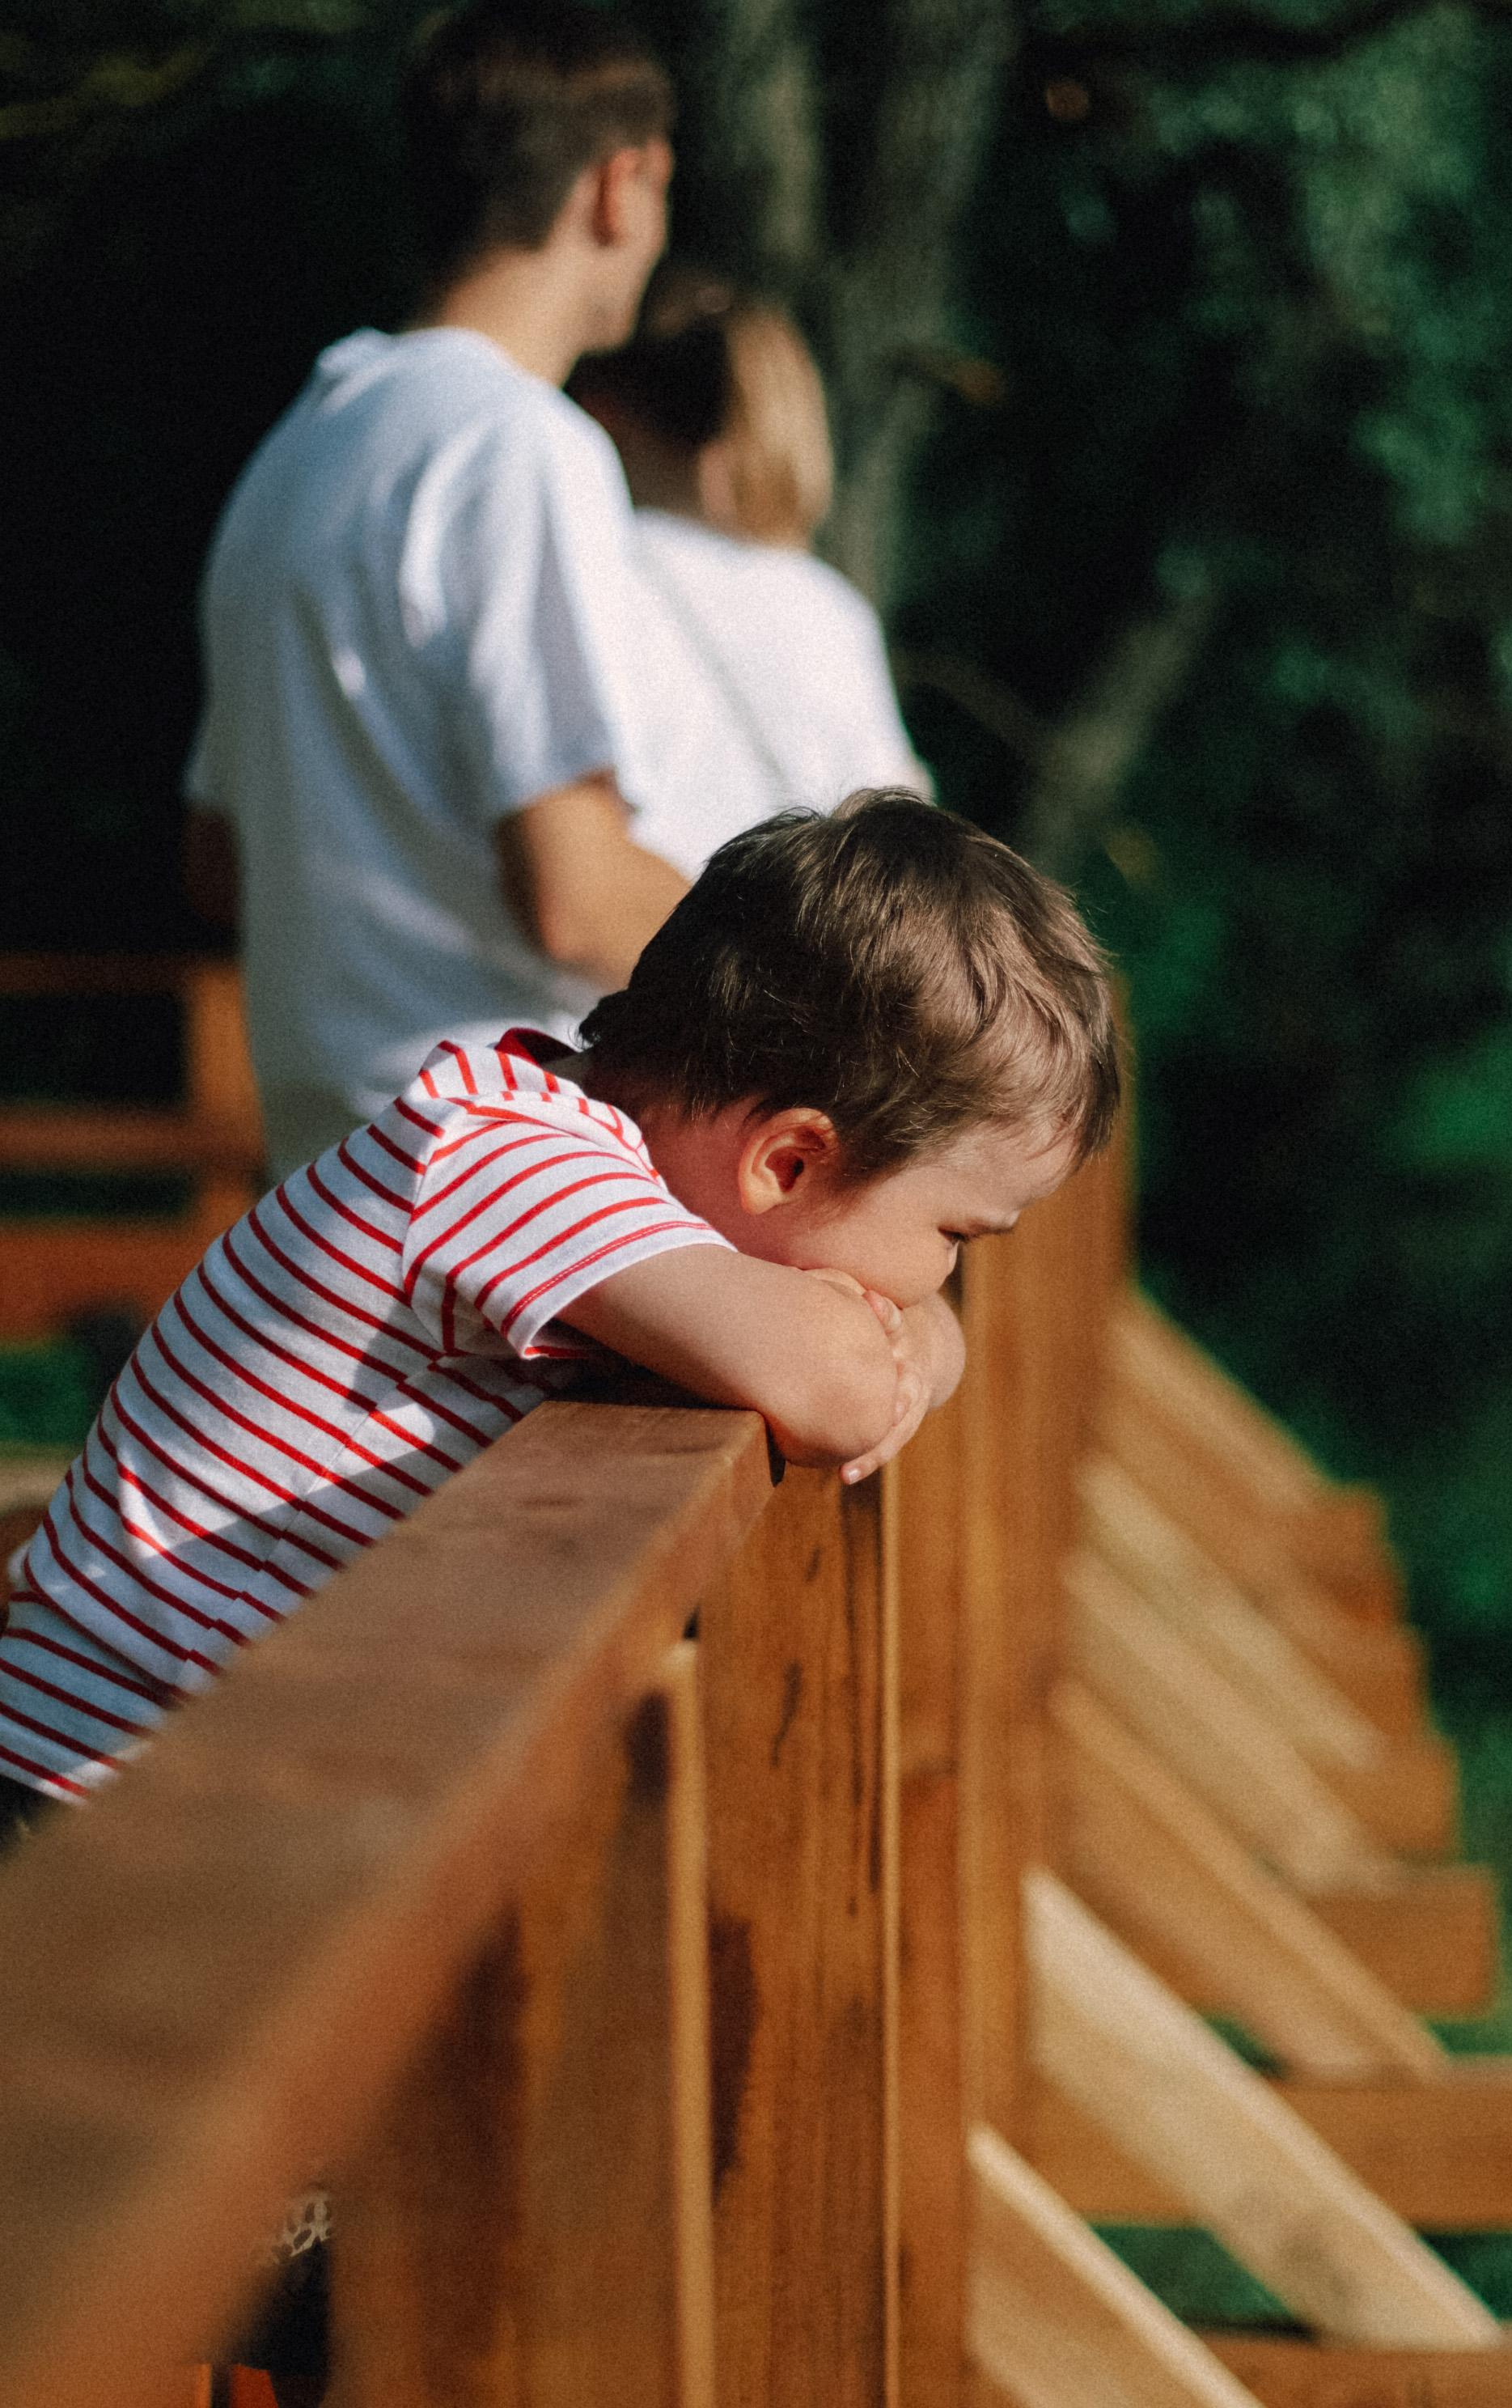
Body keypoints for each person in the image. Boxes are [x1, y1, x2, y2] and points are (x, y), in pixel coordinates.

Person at [0, 791, 1119, 2399]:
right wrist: (882, 1348)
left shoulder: (587, 1165)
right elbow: (824, 1383)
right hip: (111, 1842)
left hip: (201, 1827)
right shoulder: (499, 1159)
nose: (949, 1281)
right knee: (371, 2311)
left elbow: (883, 1355)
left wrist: (905, 1332)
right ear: (789, 1157)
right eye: (955, 1234)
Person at [185, 1, 690, 1184]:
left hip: (325, 1183)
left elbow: (219, 862)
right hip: (502, 1172)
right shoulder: (516, 444)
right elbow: (576, 900)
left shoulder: (297, 448)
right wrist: (840, 990)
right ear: (620, 184)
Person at [570, 268, 930, 874]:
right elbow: (895, 838)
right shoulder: (832, 611)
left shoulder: (592, 565)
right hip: (782, 930)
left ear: (607, 411)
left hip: (636, 924)